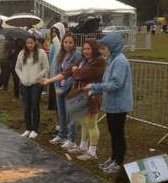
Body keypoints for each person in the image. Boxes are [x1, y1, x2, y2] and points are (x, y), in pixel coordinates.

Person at [43, 39, 105, 160]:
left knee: (92, 124)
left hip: (93, 97)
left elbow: (82, 74)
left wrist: (75, 71)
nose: (86, 51)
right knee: (84, 123)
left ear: (94, 49)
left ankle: (92, 152)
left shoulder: (99, 61)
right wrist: (49, 81)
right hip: (81, 96)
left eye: (89, 49)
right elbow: (67, 73)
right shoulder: (84, 60)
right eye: (84, 49)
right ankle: (82, 146)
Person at [83, 33, 133, 174]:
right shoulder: (113, 59)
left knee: (118, 134)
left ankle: (118, 161)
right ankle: (113, 158)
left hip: (119, 105)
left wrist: (95, 87)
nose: (102, 51)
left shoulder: (120, 61)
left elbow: (116, 84)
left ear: (112, 47)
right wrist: (96, 89)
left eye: (104, 48)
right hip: (112, 104)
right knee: (113, 132)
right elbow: (107, 81)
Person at [48, 33, 82, 149]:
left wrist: (64, 89)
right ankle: (62, 134)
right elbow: (57, 72)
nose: (67, 44)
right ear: (62, 43)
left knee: (71, 114)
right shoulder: (60, 54)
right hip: (59, 89)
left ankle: (72, 138)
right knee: (61, 113)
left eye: (70, 42)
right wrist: (57, 87)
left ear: (74, 44)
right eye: (65, 42)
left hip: (70, 89)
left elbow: (73, 75)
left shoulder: (77, 56)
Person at [15, 36, 49, 139]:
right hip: (24, 84)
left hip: (36, 84)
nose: (30, 45)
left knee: (34, 105)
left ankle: (35, 129)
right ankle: (28, 128)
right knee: (26, 107)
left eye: (31, 43)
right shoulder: (21, 54)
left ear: (35, 43)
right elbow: (17, 68)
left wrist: (39, 76)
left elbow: (46, 67)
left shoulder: (41, 53)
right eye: (28, 43)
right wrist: (22, 77)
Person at [48, 23, 65, 113]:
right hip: (53, 70)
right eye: (52, 32)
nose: (53, 34)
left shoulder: (62, 44)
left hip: (59, 71)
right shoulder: (53, 42)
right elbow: (51, 57)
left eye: (56, 32)